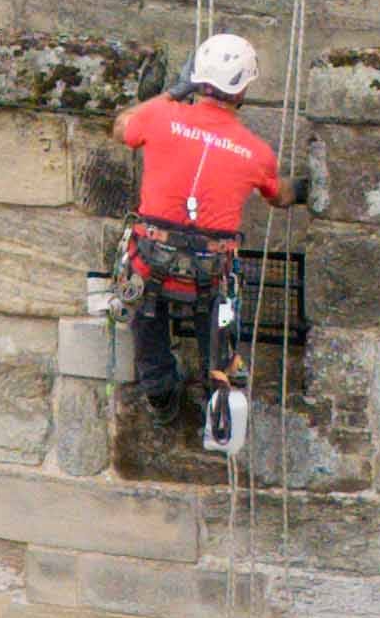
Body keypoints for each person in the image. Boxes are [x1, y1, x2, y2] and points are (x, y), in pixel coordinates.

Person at [109, 28, 286, 444]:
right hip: (213, 281)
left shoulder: (159, 117)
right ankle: (218, 399)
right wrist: (302, 190)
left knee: (144, 320)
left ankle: (160, 394)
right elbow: (278, 195)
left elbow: (120, 127)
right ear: (242, 89)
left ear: (198, 79)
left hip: (148, 268)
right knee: (221, 335)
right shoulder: (256, 152)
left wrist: (172, 93)